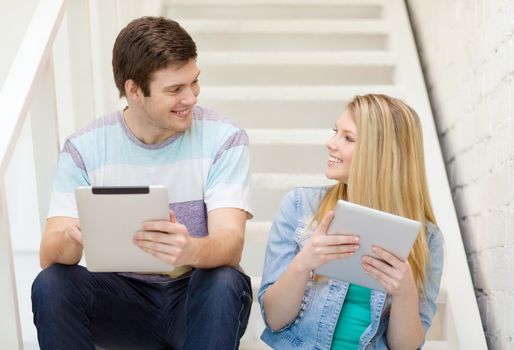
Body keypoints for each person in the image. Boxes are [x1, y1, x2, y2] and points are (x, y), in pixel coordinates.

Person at [31, 16, 252, 350]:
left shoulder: (224, 138)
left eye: (194, 82)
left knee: (224, 279)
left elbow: (230, 242)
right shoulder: (85, 148)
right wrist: (73, 237)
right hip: (122, 300)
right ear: (134, 91)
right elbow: (50, 254)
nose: (191, 97)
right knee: (52, 283)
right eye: (175, 89)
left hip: (194, 297)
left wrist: (190, 249)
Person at [258, 94, 444, 349]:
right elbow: (274, 319)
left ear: (381, 154)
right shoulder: (300, 206)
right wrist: (304, 263)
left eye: (348, 138)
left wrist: (404, 292)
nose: (330, 144)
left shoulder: (426, 239)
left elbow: (406, 347)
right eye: (336, 132)